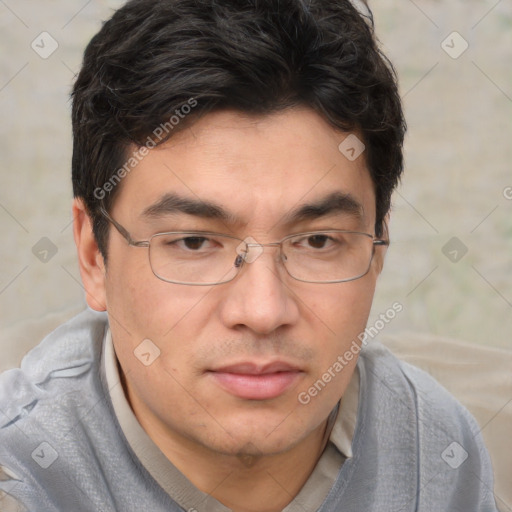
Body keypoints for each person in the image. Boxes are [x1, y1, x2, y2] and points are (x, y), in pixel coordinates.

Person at [0, 0, 498, 510]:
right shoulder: (20, 476)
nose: (263, 311)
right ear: (92, 256)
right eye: (193, 242)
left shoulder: (435, 451)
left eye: (318, 241)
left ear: (377, 250)